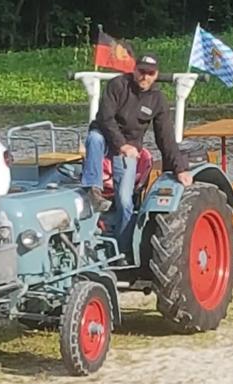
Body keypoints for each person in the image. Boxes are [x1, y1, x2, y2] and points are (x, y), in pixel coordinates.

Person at [81, 53, 193, 247]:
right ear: (134, 70)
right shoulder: (117, 85)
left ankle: (121, 249)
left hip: (130, 149)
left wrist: (180, 168)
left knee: (125, 202)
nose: (145, 77)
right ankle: (93, 189)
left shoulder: (157, 100)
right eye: (142, 71)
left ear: (156, 75)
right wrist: (121, 144)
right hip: (106, 137)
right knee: (94, 137)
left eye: (150, 73)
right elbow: (105, 118)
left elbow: (165, 137)